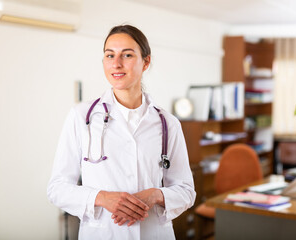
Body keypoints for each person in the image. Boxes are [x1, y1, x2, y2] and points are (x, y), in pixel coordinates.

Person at [47, 25, 196, 240]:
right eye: (110, 55)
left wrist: (156, 194)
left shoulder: (167, 123)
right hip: (102, 233)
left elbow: (186, 191)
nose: (116, 63)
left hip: (152, 233)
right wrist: (102, 198)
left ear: (146, 62)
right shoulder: (82, 117)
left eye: (127, 55)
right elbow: (57, 188)